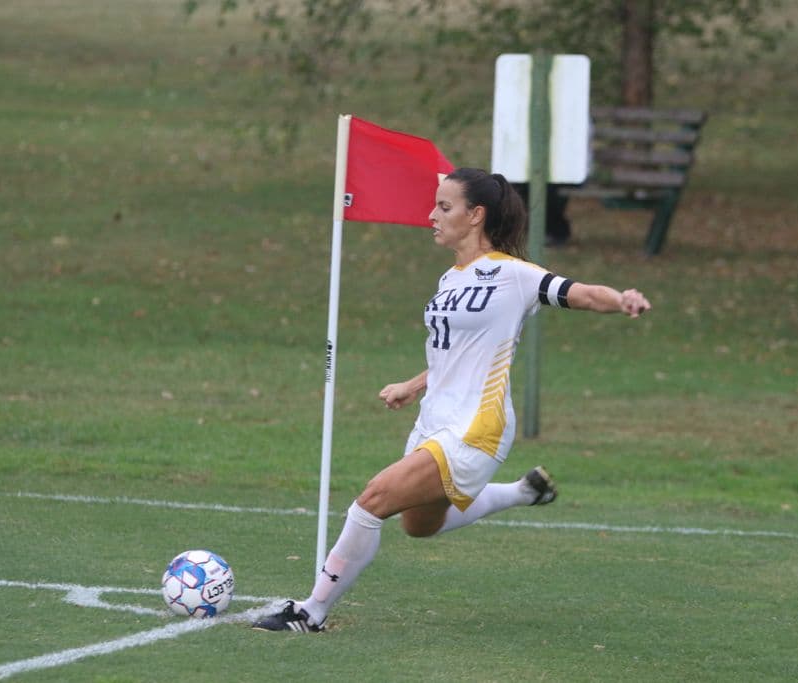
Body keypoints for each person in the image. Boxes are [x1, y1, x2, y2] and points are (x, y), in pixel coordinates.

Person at [252, 167, 651, 633]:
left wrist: (620, 298)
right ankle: (522, 492)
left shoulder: (514, 275)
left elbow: (580, 293)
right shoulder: (449, 280)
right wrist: (414, 384)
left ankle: (311, 612)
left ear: (476, 215)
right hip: (434, 420)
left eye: (444, 207)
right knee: (418, 526)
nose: (431, 216)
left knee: (372, 501)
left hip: (477, 428)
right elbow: (455, 354)